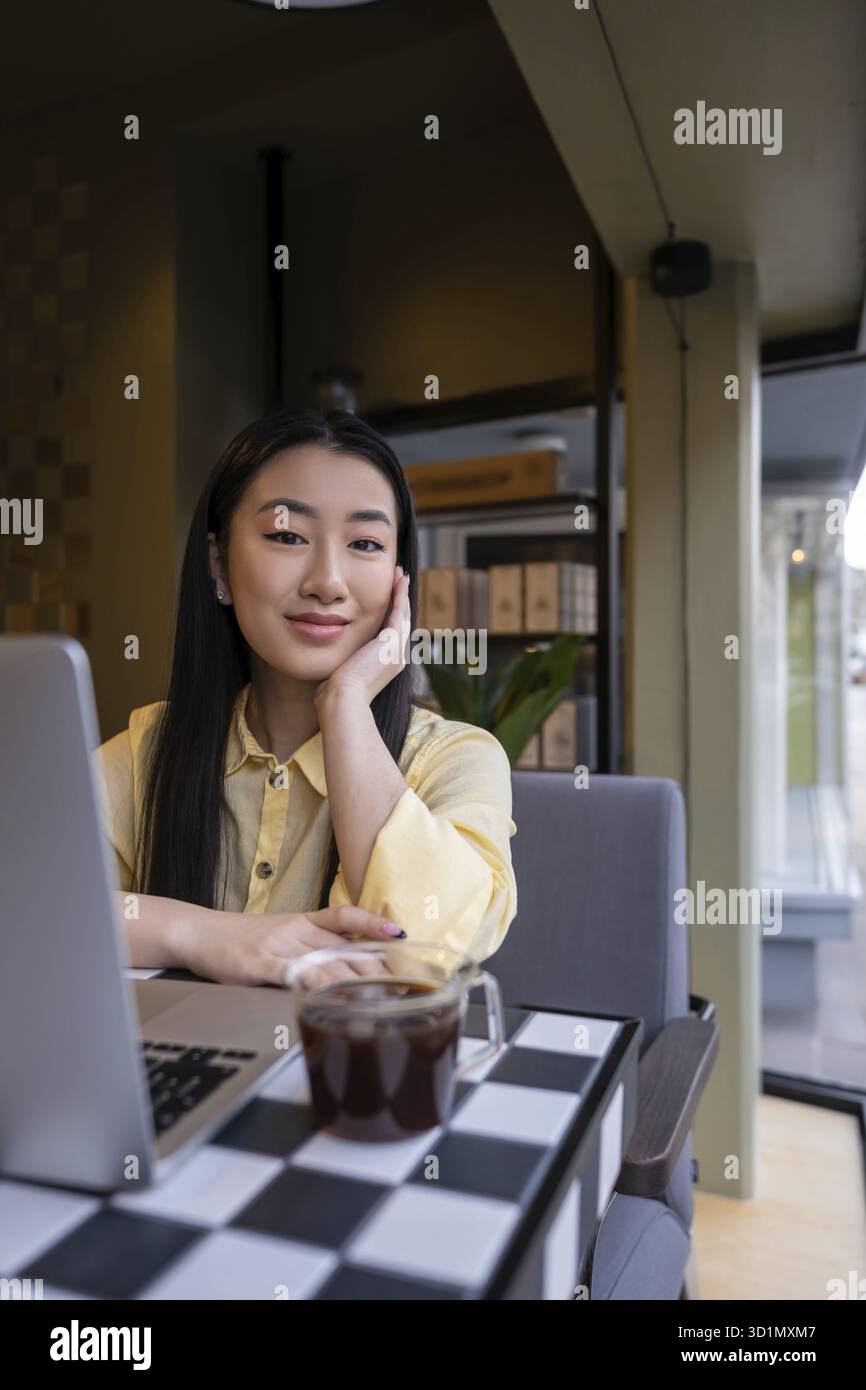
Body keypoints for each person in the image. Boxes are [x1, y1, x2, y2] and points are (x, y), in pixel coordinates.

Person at [96, 406, 518, 988]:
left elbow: (434, 946)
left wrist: (345, 703)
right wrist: (202, 934)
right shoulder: (150, 752)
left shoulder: (457, 759)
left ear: (399, 572)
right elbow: (26, 903)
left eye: (365, 543)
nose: (328, 581)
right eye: (287, 535)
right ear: (218, 563)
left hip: (362, 1073)